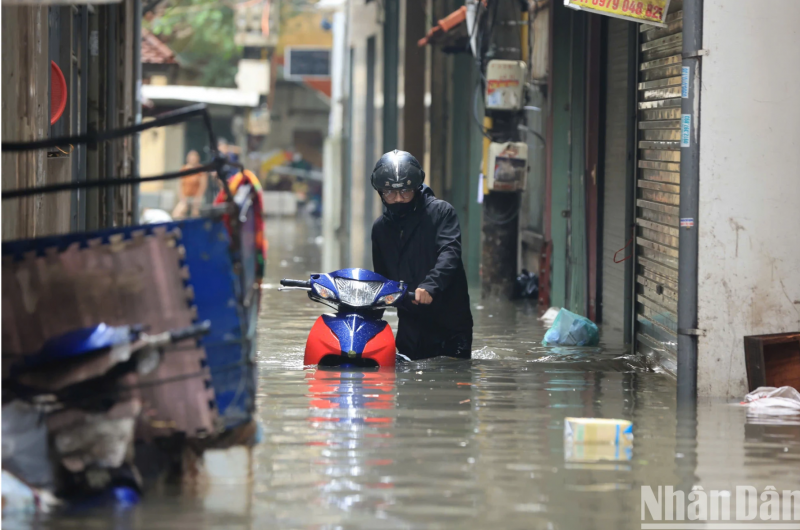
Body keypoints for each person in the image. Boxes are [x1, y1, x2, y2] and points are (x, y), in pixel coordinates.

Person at [370, 150, 473, 361]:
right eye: (390, 193)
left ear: (416, 189)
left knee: (452, 382)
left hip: (449, 322)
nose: (398, 199)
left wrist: (430, 286)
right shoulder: (380, 229)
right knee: (407, 385)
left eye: (405, 192)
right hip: (410, 324)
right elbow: (381, 280)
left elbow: (449, 252)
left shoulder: (441, 212)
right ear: (381, 193)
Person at [172, 150, 207, 219]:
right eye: (191, 157)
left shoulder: (200, 170)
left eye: (194, 157)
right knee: (176, 214)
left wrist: (198, 198)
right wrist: (182, 197)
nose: (193, 159)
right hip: (186, 197)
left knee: (195, 214)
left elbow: (203, 185)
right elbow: (180, 185)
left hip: (196, 198)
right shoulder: (184, 169)